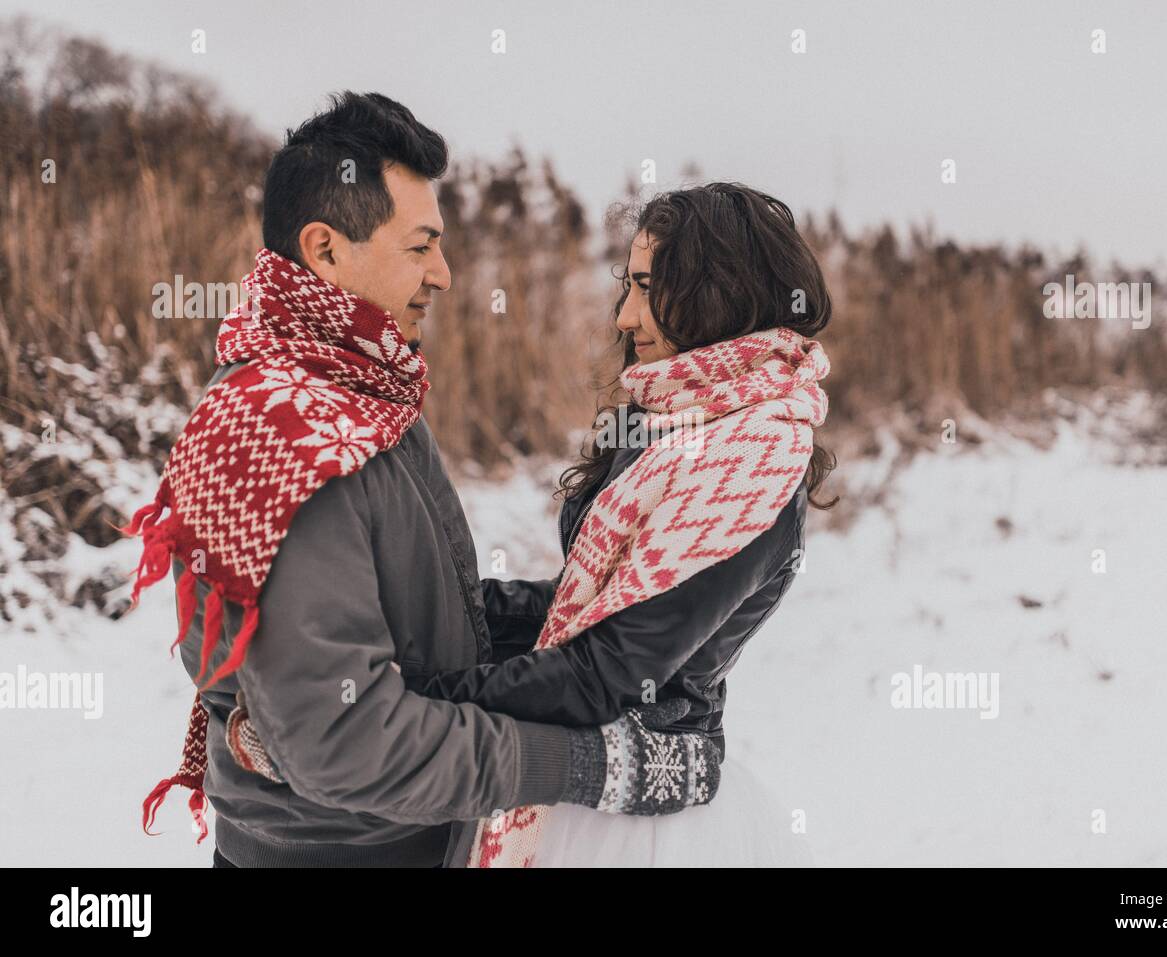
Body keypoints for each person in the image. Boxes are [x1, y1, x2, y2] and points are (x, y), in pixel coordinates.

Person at [120, 91, 722, 868]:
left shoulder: (359, 390)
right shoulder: (290, 436)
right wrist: (584, 765)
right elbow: (344, 738)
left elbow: (418, 617)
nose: (443, 272)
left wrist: (602, 614)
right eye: (420, 246)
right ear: (326, 249)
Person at [238, 182, 835, 867]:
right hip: (574, 776)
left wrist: (397, 701)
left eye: (649, 286)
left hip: (634, 808)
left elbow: (603, 672)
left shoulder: (750, 463)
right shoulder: (674, 416)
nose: (626, 314)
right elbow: (580, 610)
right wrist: (442, 612)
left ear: (717, 294)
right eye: (627, 284)